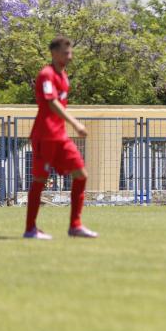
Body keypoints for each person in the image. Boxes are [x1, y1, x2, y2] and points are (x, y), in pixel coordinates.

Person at [24, 36, 98, 239]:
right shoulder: (46, 74)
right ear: (54, 53)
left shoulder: (64, 76)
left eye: (71, 52)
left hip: (60, 136)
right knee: (40, 179)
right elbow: (52, 103)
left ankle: (75, 225)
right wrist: (75, 123)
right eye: (66, 53)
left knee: (81, 174)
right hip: (44, 136)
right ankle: (30, 229)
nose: (70, 56)